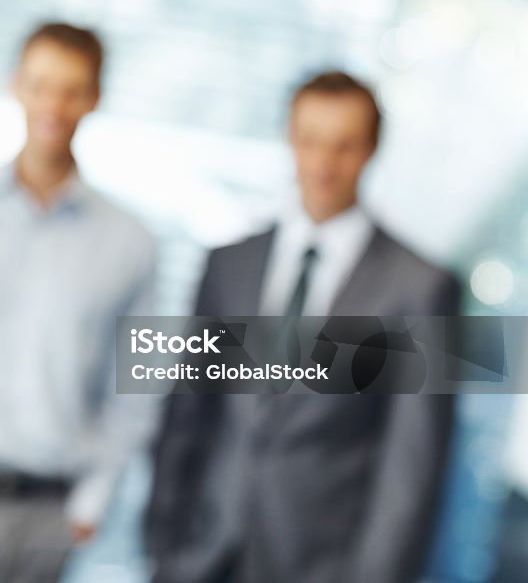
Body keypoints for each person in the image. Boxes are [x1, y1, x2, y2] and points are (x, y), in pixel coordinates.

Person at [147, 71, 460, 583]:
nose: (323, 163)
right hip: (198, 555)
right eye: (310, 140)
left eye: (345, 145)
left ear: (372, 149)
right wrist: (162, 543)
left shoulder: (421, 289)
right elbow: (188, 412)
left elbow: (412, 469)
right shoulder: (230, 264)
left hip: (322, 567)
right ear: (289, 138)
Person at [0, 23, 158, 583]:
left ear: (94, 98)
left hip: (43, 514)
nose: (53, 105)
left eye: (71, 89)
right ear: (15, 85)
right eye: (40, 84)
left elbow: (133, 387)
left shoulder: (129, 242)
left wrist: (95, 500)